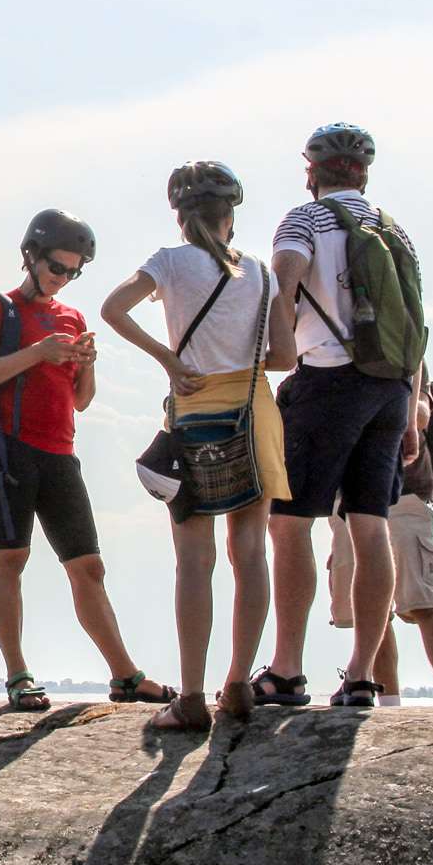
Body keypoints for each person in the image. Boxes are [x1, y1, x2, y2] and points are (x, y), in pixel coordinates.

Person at [100, 163, 296, 730]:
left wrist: (169, 358)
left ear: (181, 218)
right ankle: (237, 686)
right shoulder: (259, 272)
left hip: (196, 410)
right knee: (251, 552)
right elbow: (283, 357)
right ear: (230, 216)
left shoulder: (169, 261)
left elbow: (113, 310)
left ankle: (188, 698)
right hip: (254, 411)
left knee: (194, 562)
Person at [0, 210, 178, 713]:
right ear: (32, 256)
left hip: (61, 453)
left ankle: (125, 675)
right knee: (11, 558)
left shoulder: (73, 317)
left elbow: (82, 400)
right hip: (7, 449)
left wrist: (85, 365)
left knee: (89, 567)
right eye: (58, 268)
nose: (63, 278)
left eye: (73, 272)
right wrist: (39, 351)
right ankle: (18, 675)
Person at [252, 123, 425, 709]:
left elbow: (283, 283)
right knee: (368, 521)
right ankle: (360, 677)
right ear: (365, 173)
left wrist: (273, 354)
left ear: (312, 171)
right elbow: (416, 325)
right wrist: (412, 415)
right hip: (391, 387)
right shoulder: (392, 228)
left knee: (290, 521)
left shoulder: (304, 219)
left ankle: (286, 670)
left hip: (327, 379)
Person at [327, 376, 433, 706]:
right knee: (372, 612)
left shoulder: (400, 337)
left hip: (404, 490)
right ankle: (388, 705)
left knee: (423, 604)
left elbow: (421, 410)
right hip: (345, 495)